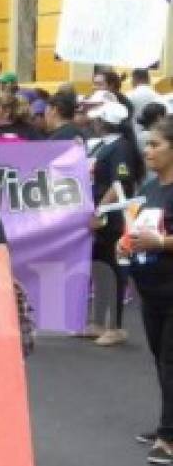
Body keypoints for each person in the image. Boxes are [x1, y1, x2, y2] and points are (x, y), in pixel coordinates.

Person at [123, 118, 173, 465]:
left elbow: (158, 238)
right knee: (160, 360)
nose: (148, 150)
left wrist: (163, 242)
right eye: (148, 144)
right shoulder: (152, 187)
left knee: (171, 363)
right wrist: (124, 247)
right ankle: (166, 425)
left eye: (156, 144)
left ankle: (168, 436)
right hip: (150, 289)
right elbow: (136, 231)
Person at [85, 100, 143, 348]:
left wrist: (100, 210)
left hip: (113, 218)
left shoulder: (121, 147)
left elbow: (119, 183)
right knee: (99, 270)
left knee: (115, 271)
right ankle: (97, 321)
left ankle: (116, 326)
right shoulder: (102, 146)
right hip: (100, 216)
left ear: (103, 122)